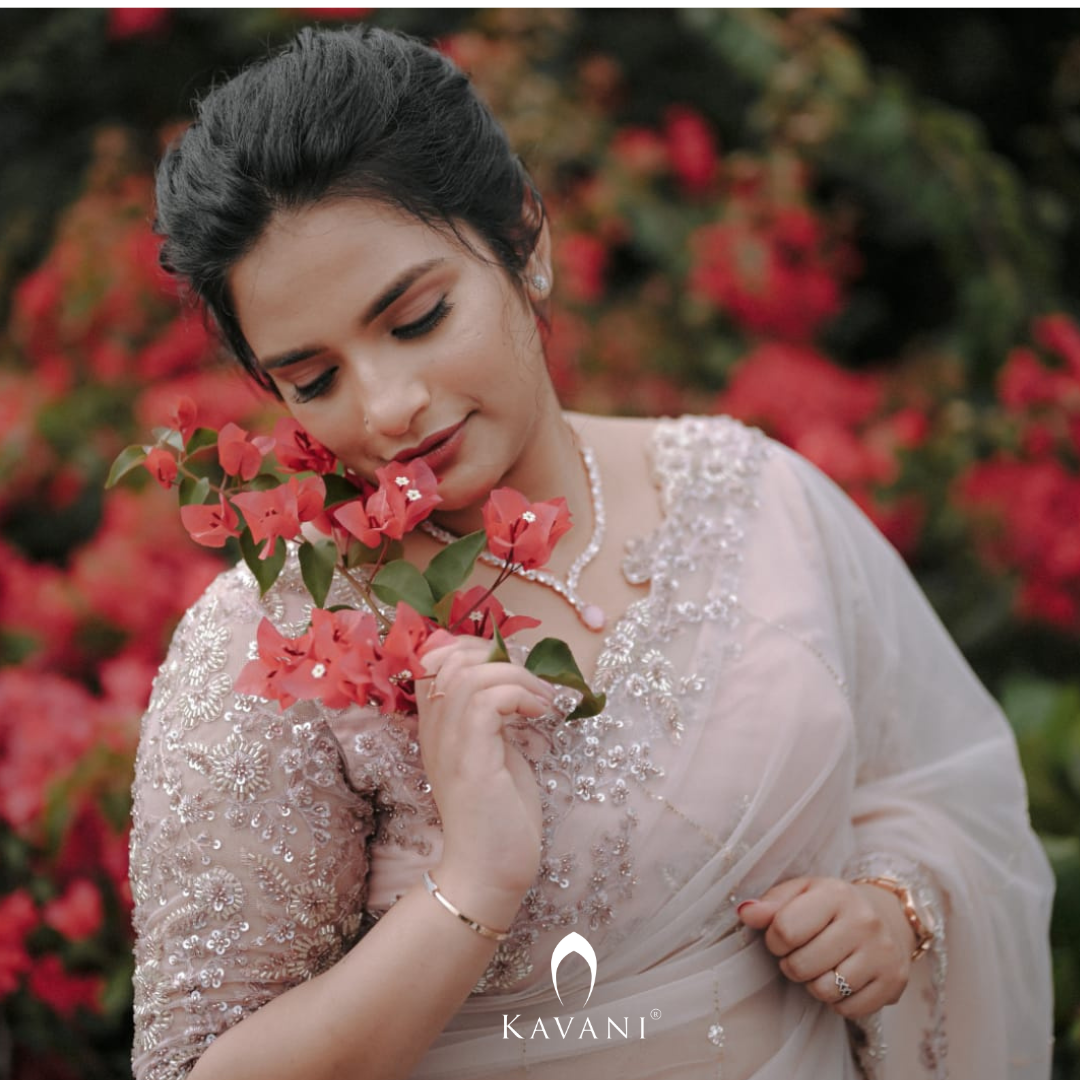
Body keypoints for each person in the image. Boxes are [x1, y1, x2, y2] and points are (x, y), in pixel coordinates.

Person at [130, 24, 1054, 1080]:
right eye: (313, 379)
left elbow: (934, 783)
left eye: (419, 317)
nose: (388, 406)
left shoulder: (754, 493)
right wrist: (472, 885)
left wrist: (893, 910)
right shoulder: (279, 643)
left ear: (527, 243)